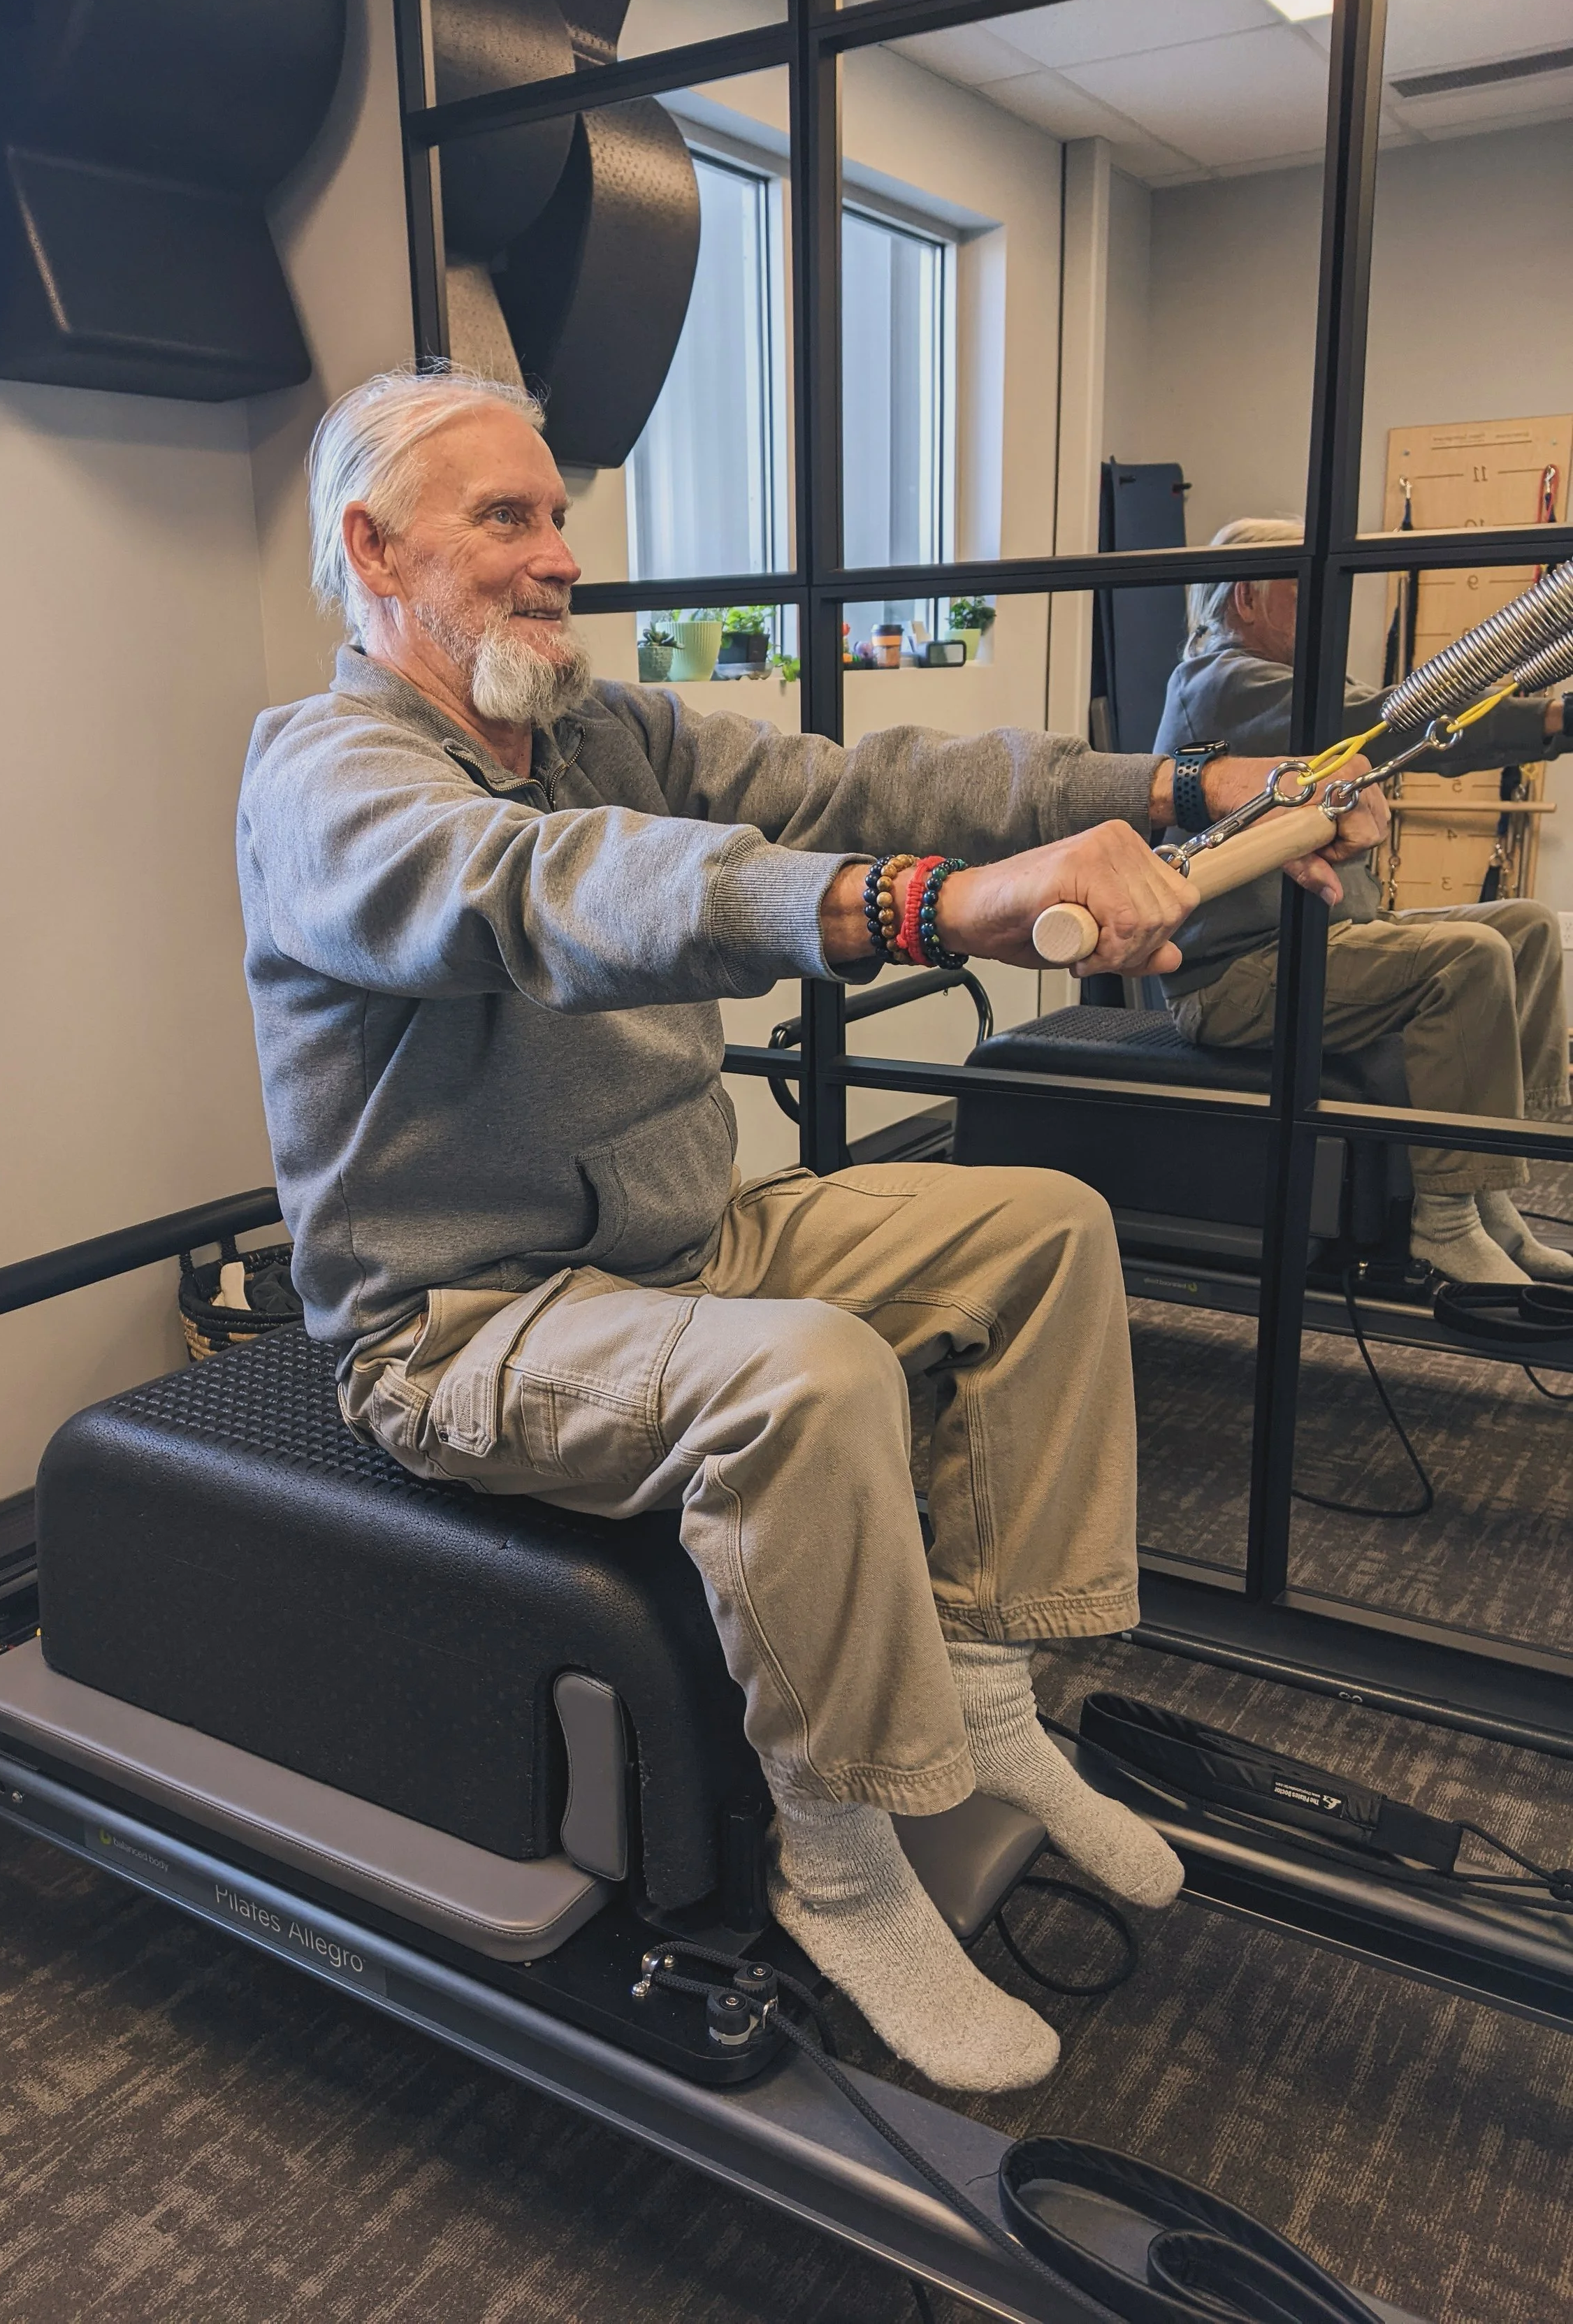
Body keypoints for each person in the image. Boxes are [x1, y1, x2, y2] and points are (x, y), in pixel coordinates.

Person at [236, 370, 1383, 2094]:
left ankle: (992, 1686)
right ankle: (839, 1861)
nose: (560, 557)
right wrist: (933, 911)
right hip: (466, 1319)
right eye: (507, 519)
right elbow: (554, 896)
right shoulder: (329, 780)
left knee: (1044, 1230)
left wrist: (1191, 780)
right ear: (371, 548)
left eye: (560, 515)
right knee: (814, 1381)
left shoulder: (601, 731)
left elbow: (881, 778)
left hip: (693, 1240)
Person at [1156, 516, 1573, 1286]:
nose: (1329, 615)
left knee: (1523, 926)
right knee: (1469, 958)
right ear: (1246, 598)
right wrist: (1552, 718)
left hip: (1324, 943)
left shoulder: (1282, 689)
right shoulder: (1221, 682)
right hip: (1234, 979)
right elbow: (1388, 723)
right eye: (1305, 591)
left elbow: (1408, 729)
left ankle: (1496, 1192)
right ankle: (1446, 1222)